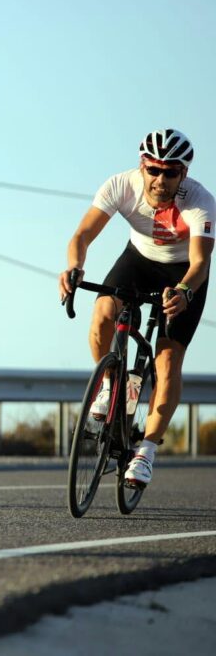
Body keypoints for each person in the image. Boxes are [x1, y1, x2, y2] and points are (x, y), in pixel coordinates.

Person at [59, 129, 214, 488]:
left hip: (182, 274)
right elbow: (81, 236)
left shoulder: (200, 202)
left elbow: (200, 263)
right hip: (138, 260)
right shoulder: (121, 185)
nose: (160, 179)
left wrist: (184, 292)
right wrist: (74, 267)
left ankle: (146, 451)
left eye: (170, 172)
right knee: (102, 314)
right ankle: (110, 384)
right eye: (153, 170)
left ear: (183, 174)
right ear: (142, 167)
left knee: (168, 360)